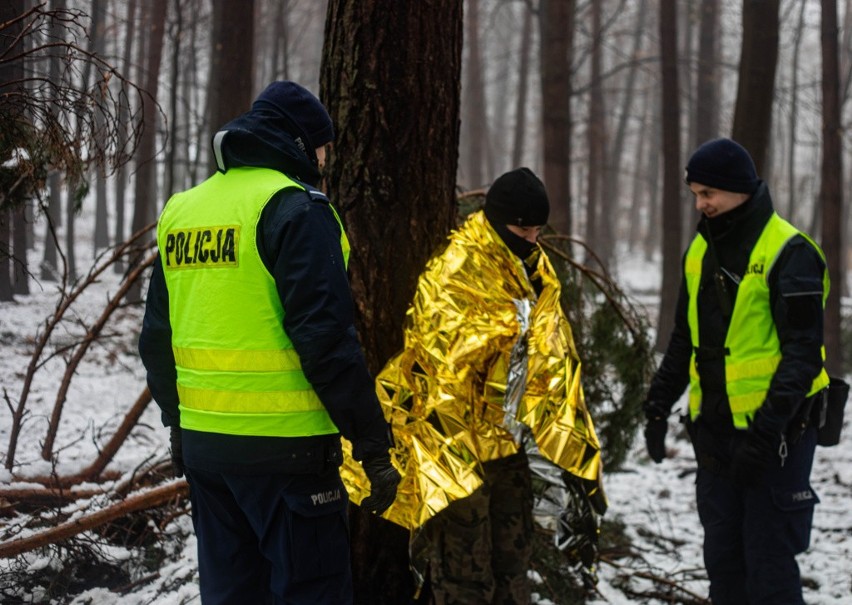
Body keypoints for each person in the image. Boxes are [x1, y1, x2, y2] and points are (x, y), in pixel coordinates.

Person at [138, 80, 400, 605]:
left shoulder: (183, 211)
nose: (327, 159)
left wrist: (178, 426)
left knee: (233, 595)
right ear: (301, 143)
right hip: (290, 458)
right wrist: (372, 445)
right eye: (323, 146)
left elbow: (156, 338)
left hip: (209, 455)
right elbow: (326, 343)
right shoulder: (295, 209)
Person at [342, 167, 604, 604]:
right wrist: (452, 467)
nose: (534, 239)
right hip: (459, 455)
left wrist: (574, 454)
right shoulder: (458, 271)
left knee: (513, 568)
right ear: (499, 221)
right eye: (524, 228)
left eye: (538, 229)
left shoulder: (534, 271)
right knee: (464, 578)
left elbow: (555, 361)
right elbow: (436, 372)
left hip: (508, 450)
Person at [644, 138, 829, 605]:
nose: (701, 204)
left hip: (780, 437)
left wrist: (765, 436)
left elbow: (802, 357)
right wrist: (657, 406)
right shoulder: (699, 251)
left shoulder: (791, 252)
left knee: (769, 570)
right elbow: (684, 340)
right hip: (715, 436)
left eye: (708, 193)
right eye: (695, 194)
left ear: (738, 189)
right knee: (724, 568)